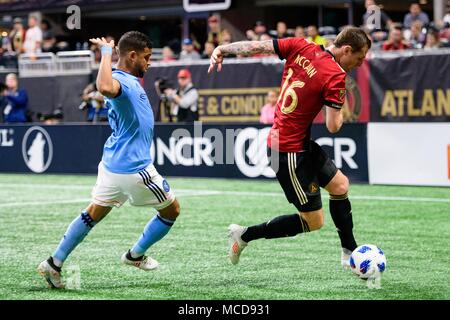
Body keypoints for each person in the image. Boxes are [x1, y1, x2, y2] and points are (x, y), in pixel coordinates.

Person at [209, 26, 371, 269]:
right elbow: (333, 126)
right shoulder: (336, 77)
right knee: (313, 221)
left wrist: (222, 49)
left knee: (340, 185)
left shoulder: (301, 45)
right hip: (287, 152)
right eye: (359, 58)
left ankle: (349, 252)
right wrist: (340, 98)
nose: (360, 64)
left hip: (297, 142)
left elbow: (256, 46)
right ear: (346, 50)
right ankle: (244, 235)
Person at [37, 31, 181, 289]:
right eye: (146, 58)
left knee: (93, 213)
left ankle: (54, 262)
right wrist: (106, 54)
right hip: (135, 168)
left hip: (113, 163)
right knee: (172, 210)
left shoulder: (127, 79)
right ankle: (134, 255)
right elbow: (104, 87)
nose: (149, 63)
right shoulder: (119, 80)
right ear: (133, 55)